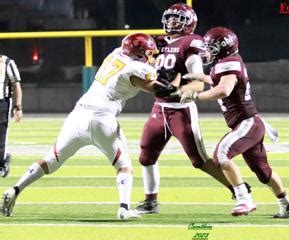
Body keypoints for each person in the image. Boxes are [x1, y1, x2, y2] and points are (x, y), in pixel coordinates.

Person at [0, 33, 177, 219]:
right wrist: (175, 84)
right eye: (148, 53)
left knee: (51, 160)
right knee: (124, 166)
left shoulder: (116, 54)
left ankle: (15, 189)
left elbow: (141, 68)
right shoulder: (137, 69)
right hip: (103, 118)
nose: (151, 56)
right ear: (139, 53)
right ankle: (124, 209)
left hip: (78, 114)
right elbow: (157, 88)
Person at [180, 27, 289, 217]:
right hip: (249, 123)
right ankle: (287, 204)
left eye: (211, 47)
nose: (207, 51)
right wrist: (199, 77)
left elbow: (224, 89)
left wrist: (196, 95)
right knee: (263, 172)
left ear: (223, 47)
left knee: (221, 154)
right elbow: (215, 78)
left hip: (247, 123)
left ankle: (244, 199)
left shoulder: (229, 63)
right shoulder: (227, 62)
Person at [134, 3, 243, 215]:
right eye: (170, 18)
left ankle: (238, 190)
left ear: (189, 23)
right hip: (159, 108)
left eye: (178, 19)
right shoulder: (157, 42)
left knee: (200, 161)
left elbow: (198, 83)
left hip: (181, 110)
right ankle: (150, 202)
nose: (172, 22)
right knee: (146, 157)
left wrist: (179, 90)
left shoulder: (191, 42)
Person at [0, 54, 23, 177]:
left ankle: (3, 162)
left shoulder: (8, 62)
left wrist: (18, 107)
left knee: (1, 133)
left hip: (2, 103)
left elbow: (16, 85)